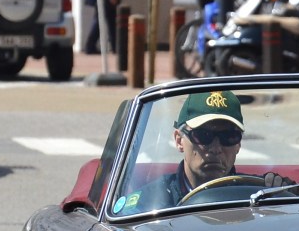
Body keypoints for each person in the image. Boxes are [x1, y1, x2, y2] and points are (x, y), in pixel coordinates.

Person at [115, 90, 288, 214]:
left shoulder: (260, 194)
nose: (215, 148)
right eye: (203, 135)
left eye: (228, 136)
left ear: (238, 144)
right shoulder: (149, 203)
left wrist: (285, 196)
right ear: (179, 140)